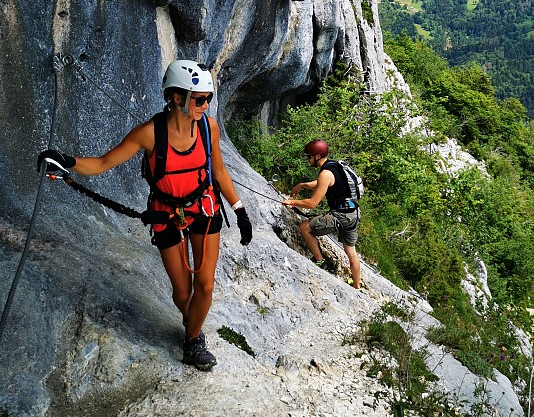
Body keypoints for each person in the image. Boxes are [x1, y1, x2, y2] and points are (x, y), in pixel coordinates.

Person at [37, 59, 253, 372]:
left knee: (205, 286)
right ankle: (192, 321)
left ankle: (193, 342)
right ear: (177, 97)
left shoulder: (209, 128)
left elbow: (218, 172)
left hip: (204, 207)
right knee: (183, 293)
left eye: (208, 98)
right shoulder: (149, 134)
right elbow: (102, 163)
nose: (206, 105)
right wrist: (66, 161)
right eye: (200, 99)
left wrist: (240, 210)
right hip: (165, 213)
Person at [283, 139, 361, 290]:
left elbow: (312, 204)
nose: (308, 159)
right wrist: (302, 185)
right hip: (353, 213)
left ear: (317, 156)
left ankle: (319, 261)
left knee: (305, 227)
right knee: (351, 252)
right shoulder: (334, 166)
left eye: (309, 157)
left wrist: (292, 202)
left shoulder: (325, 173)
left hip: (340, 215)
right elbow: (322, 183)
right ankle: (357, 286)